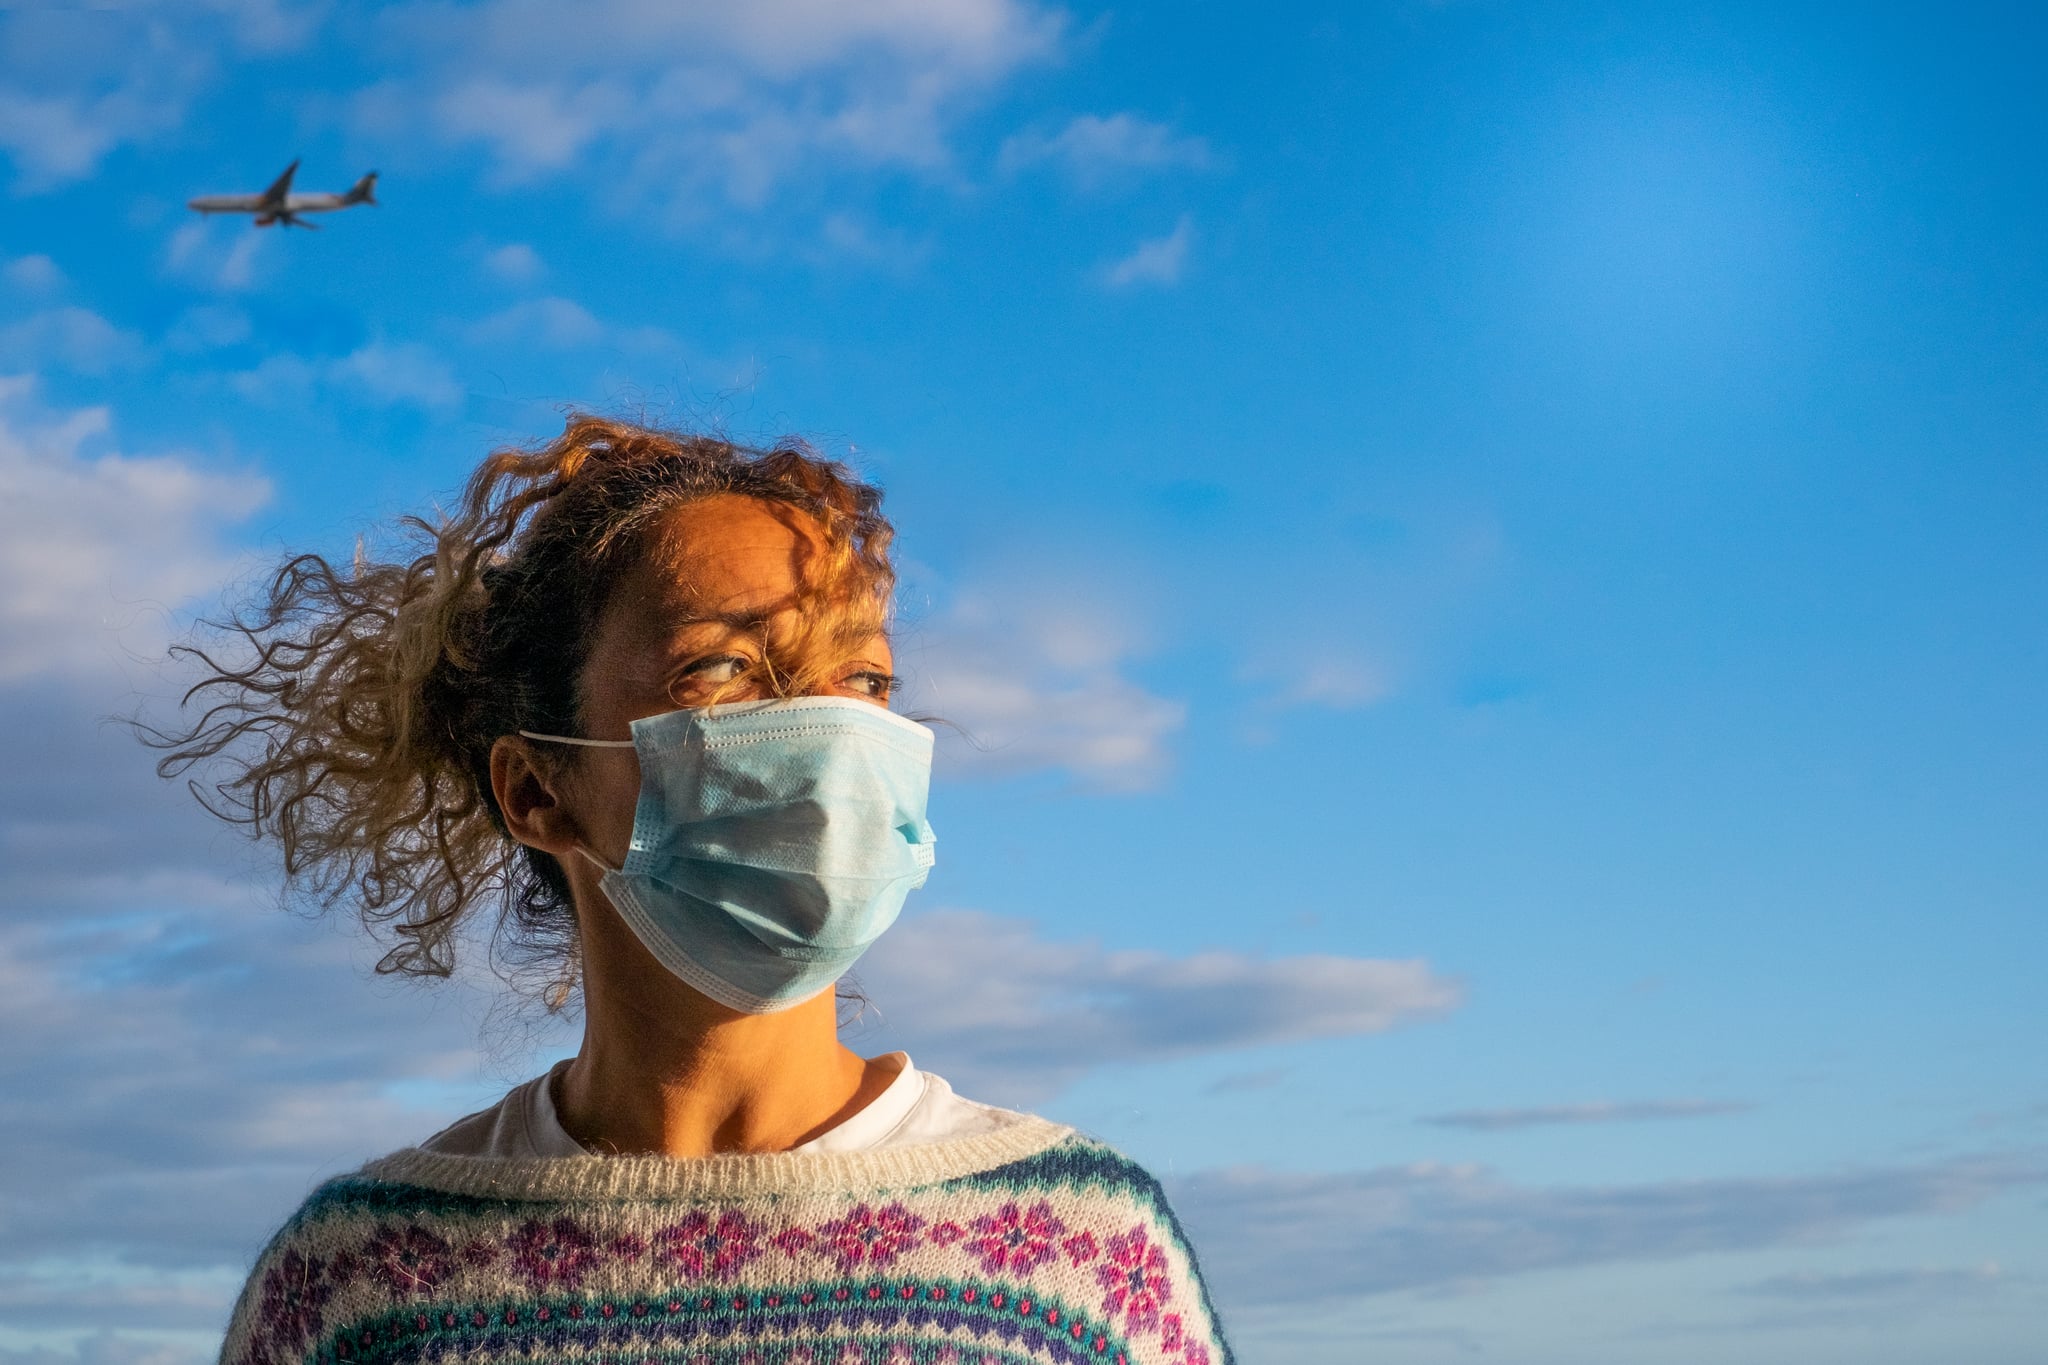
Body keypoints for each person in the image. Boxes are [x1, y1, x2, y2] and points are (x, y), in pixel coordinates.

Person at [156, 417, 1232, 1365]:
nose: (830, 734)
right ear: (536, 789)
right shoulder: (356, 1287)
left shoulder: (1082, 1258)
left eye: (862, 679)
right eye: (720, 669)